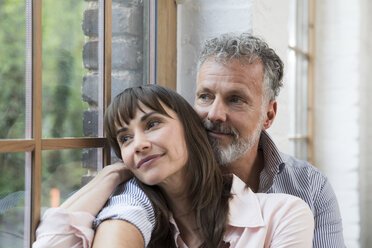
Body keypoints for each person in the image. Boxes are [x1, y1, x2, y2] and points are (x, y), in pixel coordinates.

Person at [93, 33, 344, 248]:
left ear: (269, 114)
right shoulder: (160, 176)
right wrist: (110, 178)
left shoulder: (309, 187)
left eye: (235, 99)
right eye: (205, 96)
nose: (214, 113)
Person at [34, 85, 314, 248]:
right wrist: (111, 175)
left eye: (153, 124)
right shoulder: (131, 214)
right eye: (125, 139)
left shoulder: (283, 214)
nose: (138, 145)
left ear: (190, 129)